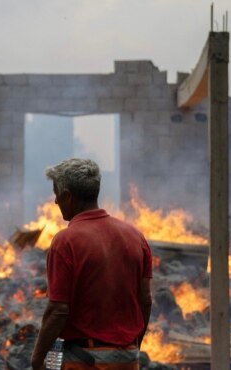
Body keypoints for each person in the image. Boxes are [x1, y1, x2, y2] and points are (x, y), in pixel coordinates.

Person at [31, 158, 153, 370]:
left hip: (84, 360)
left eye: (56, 194)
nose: (55, 201)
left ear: (68, 196)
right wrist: (133, 347)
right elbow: (146, 300)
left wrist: (37, 359)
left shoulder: (65, 241)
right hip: (128, 358)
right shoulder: (135, 236)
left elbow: (59, 310)